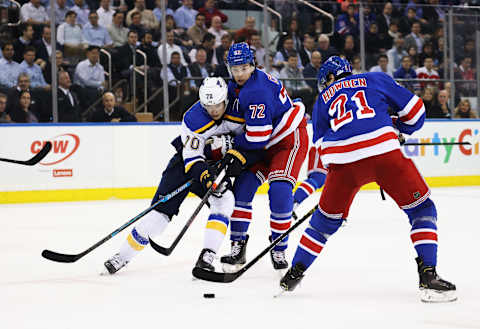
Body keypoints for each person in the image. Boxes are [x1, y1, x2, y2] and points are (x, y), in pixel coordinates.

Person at [279, 56, 456, 303]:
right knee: (422, 210)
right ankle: (428, 274)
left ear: (329, 78)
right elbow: (416, 112)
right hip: (385, 155)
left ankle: (294, 274)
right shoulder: (375, 78)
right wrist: (397, 129)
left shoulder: (322, 99)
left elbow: (320, 146)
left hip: (343, 166)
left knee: (322, 225)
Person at [102, 77, 244, 274]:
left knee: (225, 201)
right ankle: (121, 257)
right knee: (158, 215)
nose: (213, 110)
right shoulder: (193, 117)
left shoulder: (240, 109)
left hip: (216, 166)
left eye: (217, 105)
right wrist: (207, 177)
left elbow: (249, 140)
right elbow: (192, 158)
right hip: (185, 165)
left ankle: (208, 254)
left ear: (226, 100)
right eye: (208, 106)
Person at [219, 42, 308, 272]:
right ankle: (238, 246)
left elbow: (257, 137)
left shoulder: (255, 91)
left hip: (287, 141)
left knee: (279, 190)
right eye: (234, 69)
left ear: (253, 65)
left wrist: (230, 145)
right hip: (264, 143)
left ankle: (279, 247)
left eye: (243, 68)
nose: (239, 74)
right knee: (242, 189)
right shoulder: (240, 84)